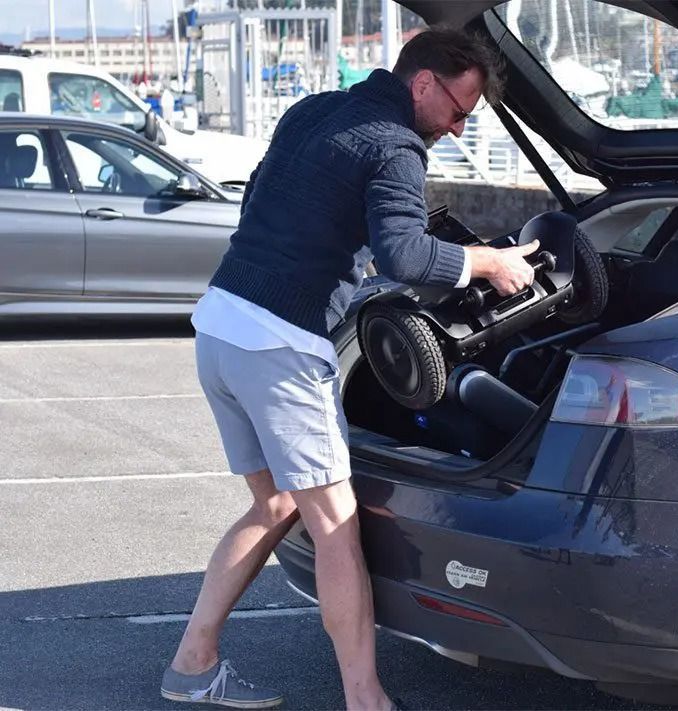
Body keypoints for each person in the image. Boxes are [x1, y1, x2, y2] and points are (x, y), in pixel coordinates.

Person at [160, 27, 538, 711]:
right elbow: (405, 255)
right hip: (278, 347)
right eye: (459, 111)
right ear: (424, 83)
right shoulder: (396, 145)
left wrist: (340, 267)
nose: (456, 129)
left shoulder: (312, 110)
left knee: (275, 503)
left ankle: (193, 661)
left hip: (219, 323)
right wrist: (491, 262)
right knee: (336, 527)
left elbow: (269, 207)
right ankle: (367, 701)